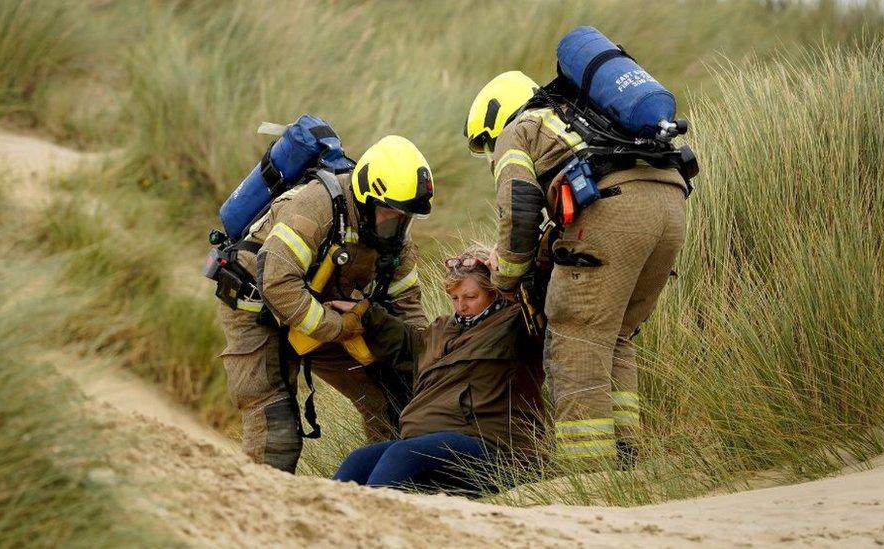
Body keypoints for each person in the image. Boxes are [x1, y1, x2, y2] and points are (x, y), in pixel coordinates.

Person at [465, 69, 690, 470]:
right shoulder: (578, 120)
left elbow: (519, 208)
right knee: (615, 334)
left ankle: (588, 472)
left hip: (617, 207)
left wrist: (505, 276)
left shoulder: (517, 129)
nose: (490, 151)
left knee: (577, 338)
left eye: (486, 142)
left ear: (493, 121)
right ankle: (627, 457)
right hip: (670, 203)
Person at [217, 135, 433, 473]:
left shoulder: (396, 236)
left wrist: (427, 360)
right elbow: (277, 283)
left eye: (404, 216)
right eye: (389, 213)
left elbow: (408, 305)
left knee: (392, 404)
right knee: (276, 430)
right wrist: (337, 326)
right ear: (367, 196)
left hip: (320, 313)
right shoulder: (316, 207)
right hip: (256, 311)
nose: (396, 223)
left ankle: (381, 495)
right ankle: (258, 513)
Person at [331, 245, 545, 494]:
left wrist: (514, 264)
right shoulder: (441, 329)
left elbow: (544, 296)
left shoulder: (517, 323)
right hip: (429, 443)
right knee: (358, 460)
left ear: (494, 292)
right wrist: (363, 314)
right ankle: (331, 527)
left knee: (403, 453)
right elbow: (406, 343)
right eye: (455, 298)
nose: (461, 306)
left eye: (470, 297)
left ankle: (375, 525)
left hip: (495, 447)